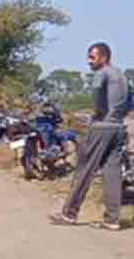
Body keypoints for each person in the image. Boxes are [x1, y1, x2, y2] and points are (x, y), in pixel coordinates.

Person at [50, 42, 129, 231]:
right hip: (119, 127)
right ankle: (112, 219)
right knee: (112, 174)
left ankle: (69, 213)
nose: (89, 61)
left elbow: (99, 103)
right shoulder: (122, 75)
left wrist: (97, 115)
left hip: (102, 127)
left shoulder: (101, 74)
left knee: (84, 170)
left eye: (92, 57)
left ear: (104, 57)